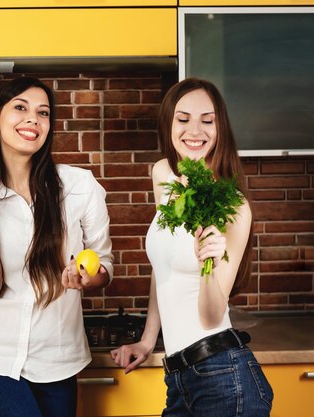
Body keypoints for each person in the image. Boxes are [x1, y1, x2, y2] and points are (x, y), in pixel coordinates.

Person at [0, 76, 114, 417]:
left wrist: (87, 279)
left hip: (59, 363)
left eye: (43, 113)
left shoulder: (79, 186)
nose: (32, 119)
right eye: (20, 107)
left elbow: (104, 263)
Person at [110, 78, 273, 416]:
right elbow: (163, 267)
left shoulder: (232, 206)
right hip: (179, 377)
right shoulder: (162, 175)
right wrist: (146, 337)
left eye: (207, 120)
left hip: (225, 377)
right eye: (183, 119)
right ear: (168, 124)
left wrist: (208, 265)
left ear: (220, 128)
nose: (194, 130)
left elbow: (212, 315)